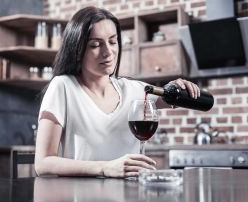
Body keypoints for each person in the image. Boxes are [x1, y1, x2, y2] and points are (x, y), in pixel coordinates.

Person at [35, 6, 200, 178]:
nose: (108, 52)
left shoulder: (134, 90)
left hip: (130, 194)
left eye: (113, 42)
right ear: (77, 50)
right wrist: (105, 168)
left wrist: (178, 87)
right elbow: (43, 163)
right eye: (95, 45)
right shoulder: (63, 87)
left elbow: (170, 96)